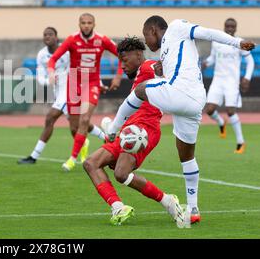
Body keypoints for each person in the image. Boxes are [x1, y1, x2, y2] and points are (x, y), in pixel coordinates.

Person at [105, 16, 255, 225]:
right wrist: (162, 69)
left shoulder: (176, 27)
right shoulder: (168, 49)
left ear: (154, 30)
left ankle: (112, 129)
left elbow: (207, 33)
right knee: (186, 155)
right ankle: (193, 208)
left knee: (140, 90)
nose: (146, 42)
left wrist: (237, 43)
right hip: (193, 102)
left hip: (181, 92)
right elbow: (181, 66)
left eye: (146, 35)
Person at [83, 36, 186, 227]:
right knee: (91, 163)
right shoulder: (140, 73)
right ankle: (118, 207)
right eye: (120, 61)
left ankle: (167, 200)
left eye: (124, 60)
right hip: (129, 128)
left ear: (138, 55)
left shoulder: (148, 67)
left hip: (144, 130)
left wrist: (163, 66)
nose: (122, 66)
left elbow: (160, 69)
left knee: (121, 174)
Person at [18, 27, 108, 165]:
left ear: (56, 37)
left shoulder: (66, 50)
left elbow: (84, 66)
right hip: (58, 91)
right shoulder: (42, 55)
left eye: (50, 34)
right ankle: (106, 137)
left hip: (70, 89)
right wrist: (49, 80)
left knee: (50, 118)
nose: (47, 37)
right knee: (77, 126)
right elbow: (41, 75)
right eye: (45, 35)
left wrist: (97, 83)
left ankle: (33, 156)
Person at [48, 13, 123, 171]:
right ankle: (95, 139)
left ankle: (72, 159)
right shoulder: (71, 39)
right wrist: (50, 72)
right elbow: (53, 59)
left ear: (94, 24)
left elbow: (121, 55)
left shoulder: (102, 40)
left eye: (89, 23)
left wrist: (118, 76)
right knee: (75, 127)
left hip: (92, 83)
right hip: (74, 83)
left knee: (84, 119)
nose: (86, 25)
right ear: (79, 24)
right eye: (83, 23)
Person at [201, 18, 254, 154]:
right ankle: (221, 122)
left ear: (235, 28)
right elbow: (213, 58)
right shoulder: (217, 41)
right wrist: (206, 63)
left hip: (232, 82)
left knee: (231, 111)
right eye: (228, 26)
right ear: (224, 27)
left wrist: (246, 78)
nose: (230, 28)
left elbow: (250, 61)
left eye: (232, 26)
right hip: (217, 80)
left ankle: (240, 142)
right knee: (209, 110)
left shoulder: (239, 43)